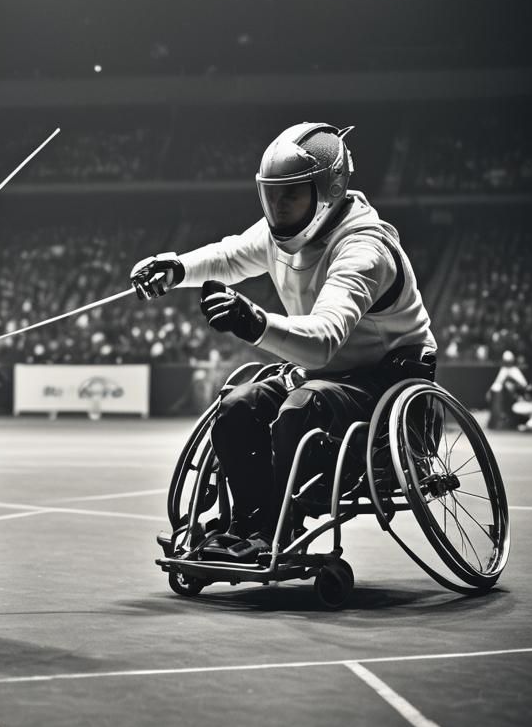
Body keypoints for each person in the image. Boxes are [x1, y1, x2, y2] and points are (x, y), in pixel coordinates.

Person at [131, 122, 437, 562]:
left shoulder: (363, 250)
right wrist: (176, 268)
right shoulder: (285, 230)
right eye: (270, 194)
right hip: (322, 377)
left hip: (384, 381)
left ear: (328, 190)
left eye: (290, 194)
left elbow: (324, 340)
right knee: (237, 405)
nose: (277, 206)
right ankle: (250, 524)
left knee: (300, 409)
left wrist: (256, 323)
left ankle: (276, 526)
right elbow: (230, 256)